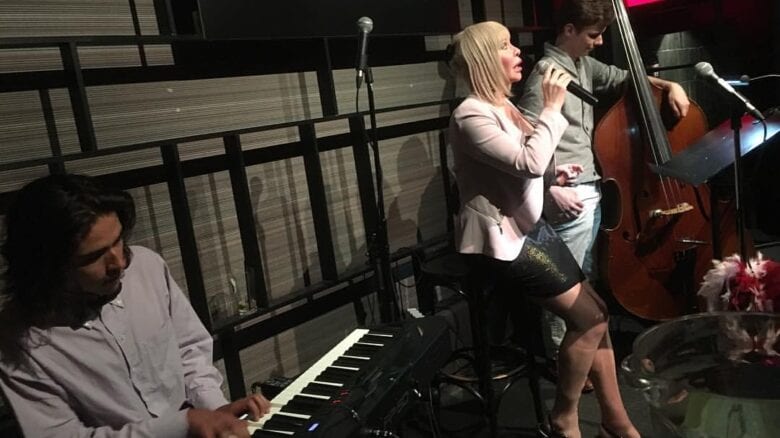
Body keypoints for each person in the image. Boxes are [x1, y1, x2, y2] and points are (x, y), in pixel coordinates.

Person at [449, 21, 640, 438]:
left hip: (528, 227)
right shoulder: (470, 114)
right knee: (589, 319)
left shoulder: (503, 105)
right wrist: (553, 107)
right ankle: (564, 417)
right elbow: (528, 161)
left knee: (598, 312)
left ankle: (616, 420)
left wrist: (555, 177)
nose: (518, 51)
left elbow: (525, 167)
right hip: (501, 240)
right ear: (485, 59)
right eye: (506, 46)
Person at [0, 174, 270, 438]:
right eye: (94, 256)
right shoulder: (17, 338)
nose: (118, 263)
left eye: (118, 240)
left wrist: (214, 411)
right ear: (48, 267)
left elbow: (189, 351)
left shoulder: (146, 266)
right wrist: (183, 425)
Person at [517, 0, 690, 383]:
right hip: (568, 193)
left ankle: (586, 362)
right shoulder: (544, 76)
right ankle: (564, 367)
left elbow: (625, 78)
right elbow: (523, 141)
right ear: (568, 30)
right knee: (566, 287)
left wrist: (669, 84)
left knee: (586, 282)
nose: (598, 42)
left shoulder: (581, 64)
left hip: (589, 187)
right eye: (593, 35)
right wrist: (548, 190)